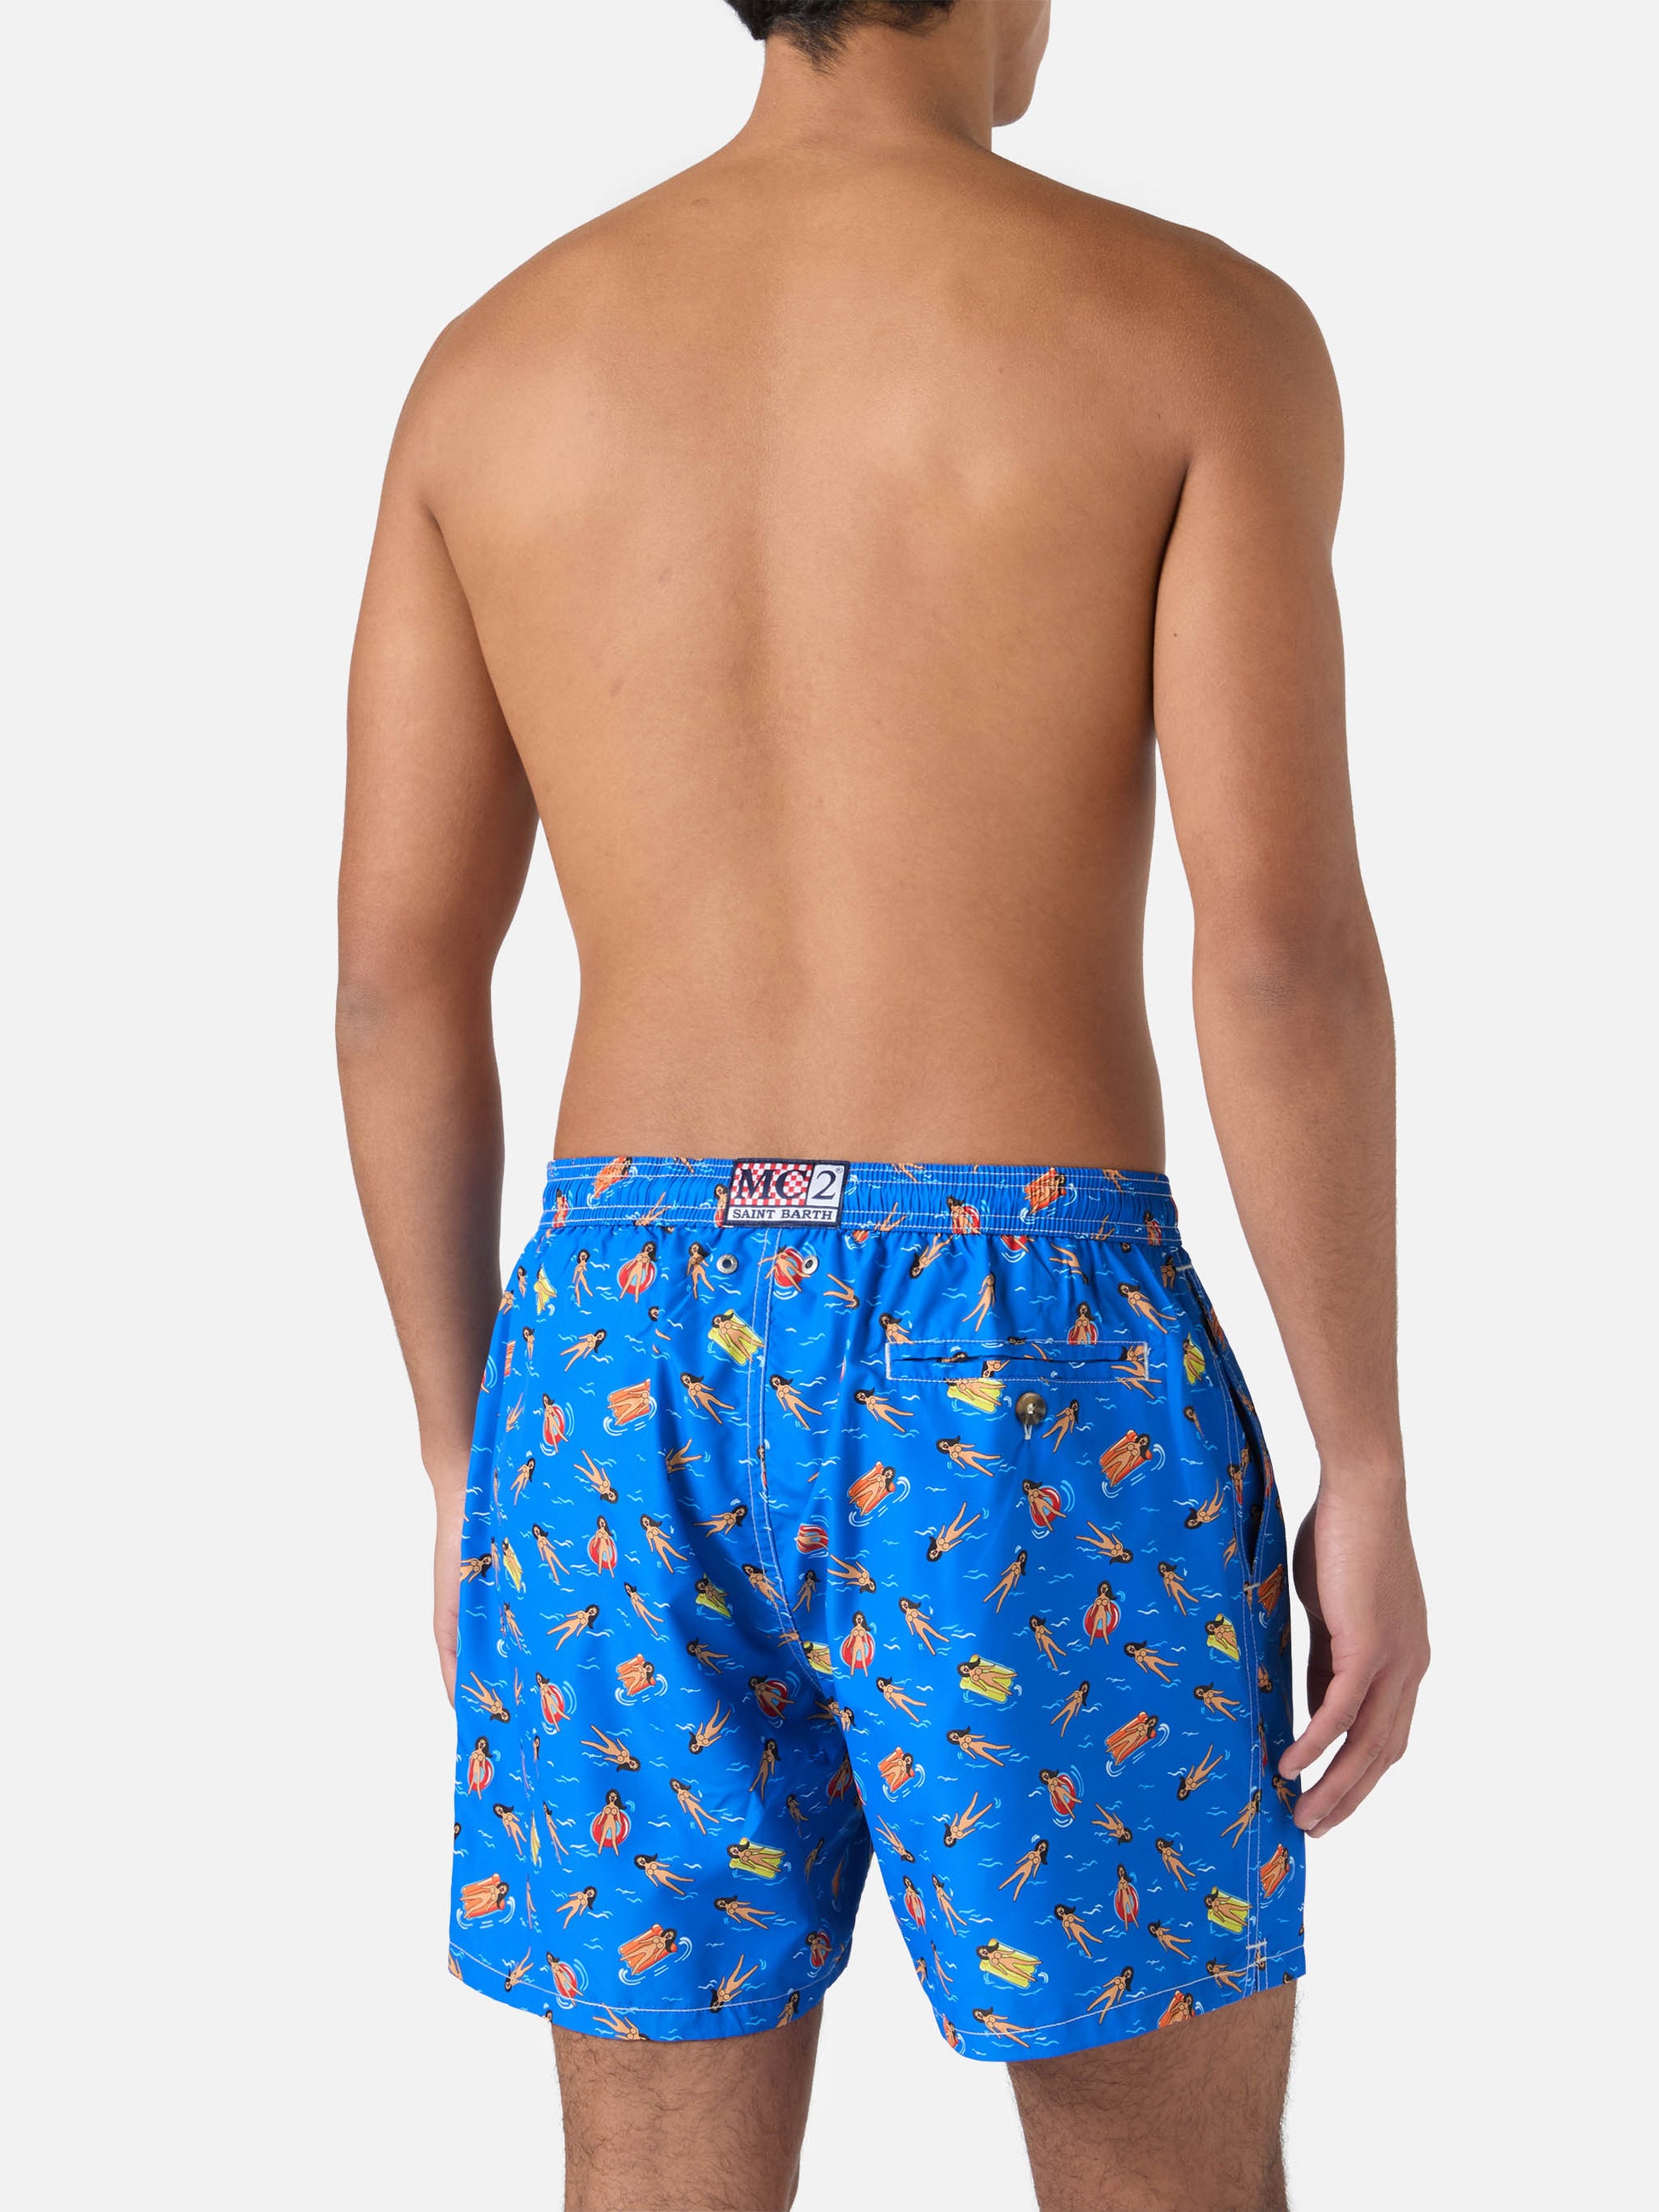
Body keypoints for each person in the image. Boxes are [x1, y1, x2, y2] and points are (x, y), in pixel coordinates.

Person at [336, 1, 1431, 2205]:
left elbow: (393, 983)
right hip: (1020, 1348)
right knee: (1156, 2161)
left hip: (611, 1354)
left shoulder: (494, 365)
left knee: (655, 2161)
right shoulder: (1189, 329)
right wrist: (1366, 1451)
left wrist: (467, 1450)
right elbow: (1276, 951)